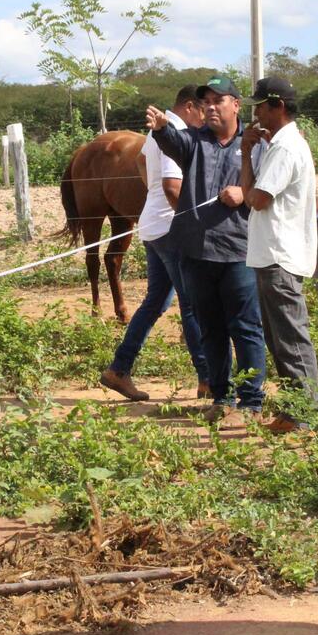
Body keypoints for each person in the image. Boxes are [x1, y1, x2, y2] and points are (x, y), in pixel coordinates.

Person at [147, 74, 266, 423]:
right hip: (196, 252)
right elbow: (172, 142)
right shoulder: (193, 141)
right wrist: (161, 128)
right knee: (210, 327)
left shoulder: (256, 143)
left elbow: (270, 184)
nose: (210, 107)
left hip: (238, 250)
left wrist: (244, 194)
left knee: (245, 327)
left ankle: (251, 402)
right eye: (205, 103)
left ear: (236, 105)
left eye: (218, 100)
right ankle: (221, 397)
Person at [100, 86, 211, 401]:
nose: (206, 116)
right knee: (191, 304)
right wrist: (193, 224)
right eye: (204, 109)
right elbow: (173, 187)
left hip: (152, 225)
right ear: (190, 106)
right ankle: (207, 378)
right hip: (170, 230)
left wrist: (153, 199)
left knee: (157, 301)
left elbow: (140, 165)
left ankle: (119, 369)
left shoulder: (157, 133)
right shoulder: (172, 131)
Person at [237, 75, 318, 434]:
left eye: (259, 105)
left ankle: (306, 413)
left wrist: (244, 155)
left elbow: (255, 198)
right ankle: (295, 410)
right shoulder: (280, 145)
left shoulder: (285, 149)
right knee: (279, 338)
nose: (255, 112)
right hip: (273, 254)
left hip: (279, 256)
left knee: (290, 338)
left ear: (278, 106)